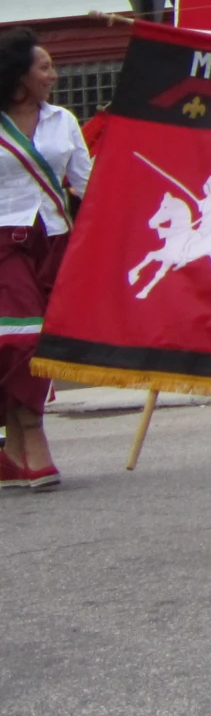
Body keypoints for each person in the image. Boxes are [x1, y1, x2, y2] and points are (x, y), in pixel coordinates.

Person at [0, 29, 89, 493]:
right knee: (20, 342)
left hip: (53, 240)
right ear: (19, 75)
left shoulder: (63, 121)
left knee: (43, 345)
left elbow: (86, 184)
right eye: (45, 67)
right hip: (2, 246)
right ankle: (34, 438)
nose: (53, 75)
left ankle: (12, 449)